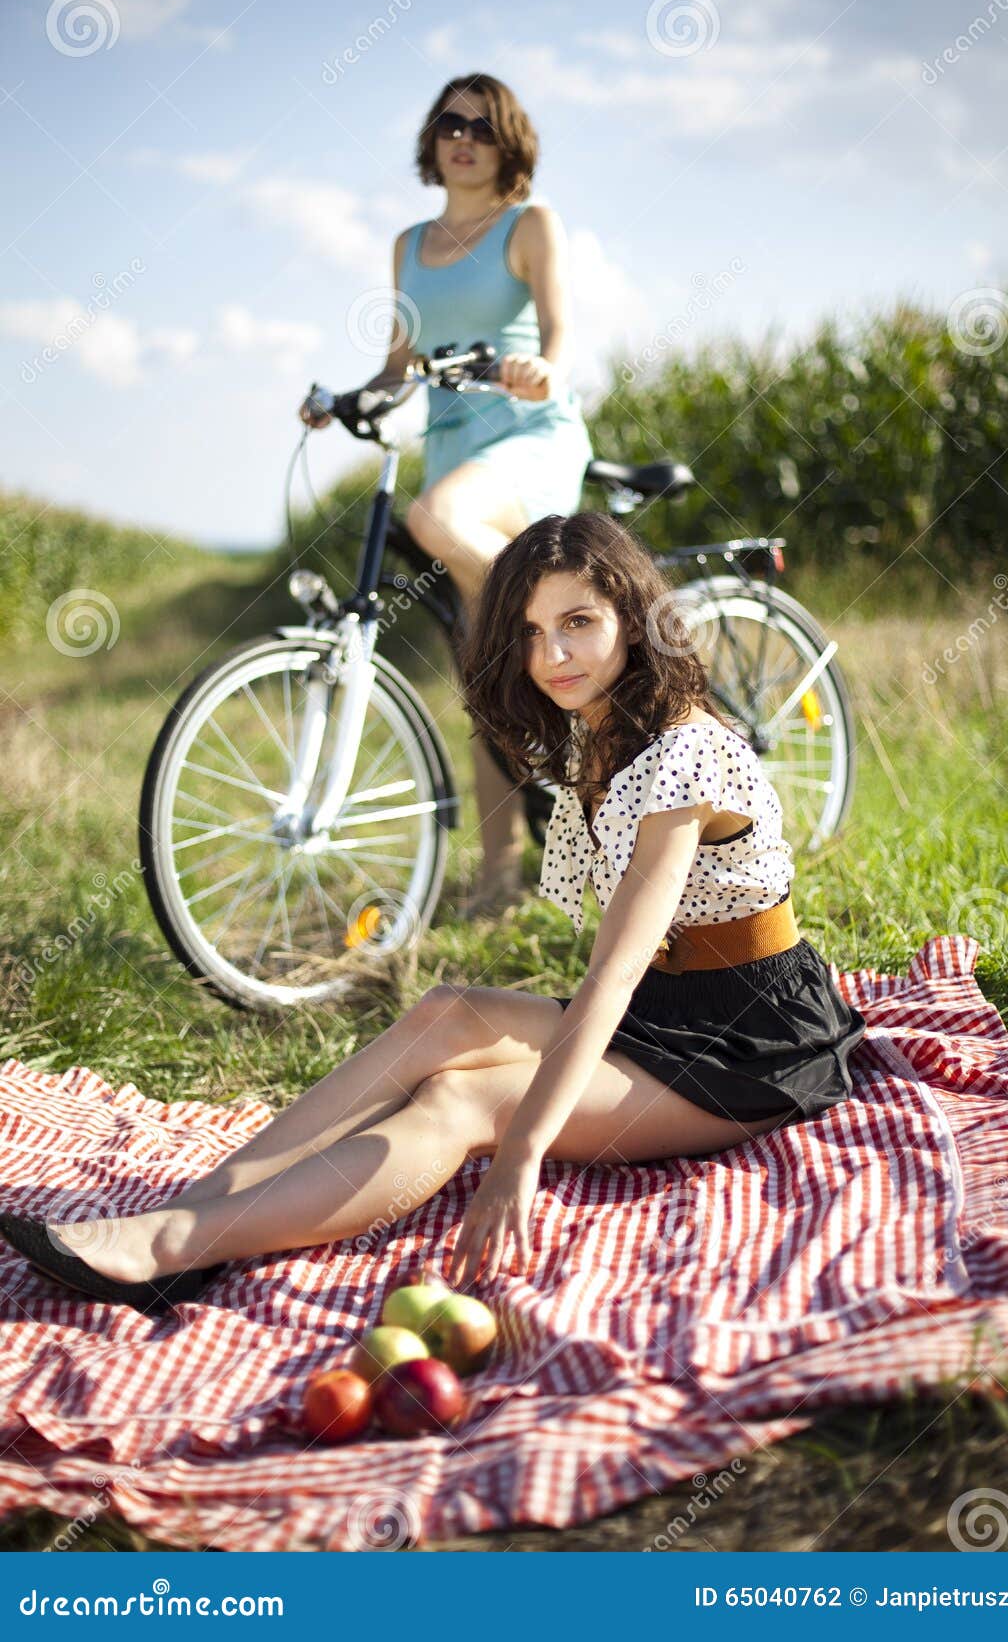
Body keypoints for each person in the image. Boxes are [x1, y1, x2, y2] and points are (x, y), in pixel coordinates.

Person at [0, 513, 866, 1313]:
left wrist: (520, 1154)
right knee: (446, 1012)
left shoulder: (684, 754)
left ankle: (172, 1247)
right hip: (666, 1011)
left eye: (577, 622)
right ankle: (198, 1208)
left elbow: (613, 971)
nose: (553, 653)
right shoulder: (605, 730)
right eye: (530, 631)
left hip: (750, 1044)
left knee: (464, 1101)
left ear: (633, 619)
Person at [299, 72, 593, 919]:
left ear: (509, 143)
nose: (463, 138)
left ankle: (564, 632)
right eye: (449, 124)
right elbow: (401, 366)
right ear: (432, 139)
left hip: (528, 437)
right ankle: (499, 878)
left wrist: (543, 368)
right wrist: (342, 401)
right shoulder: (408, 244)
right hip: (453, 447)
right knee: (482, 678)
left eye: (482, 126)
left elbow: (559, 331)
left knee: (436, 521)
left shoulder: (528, 223)